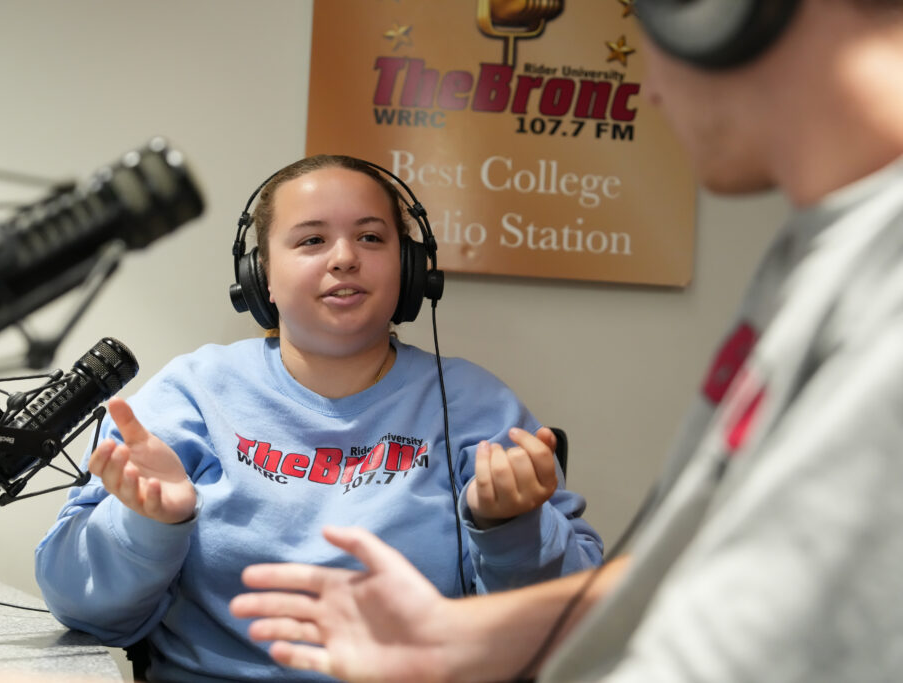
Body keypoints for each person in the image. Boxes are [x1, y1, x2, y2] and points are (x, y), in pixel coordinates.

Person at [227, 1, 903, 681]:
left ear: (719, 13)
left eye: (647, 23)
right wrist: (458, 636)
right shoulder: (822, 249)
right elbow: (727, 564)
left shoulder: (887, 274)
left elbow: (763, 629)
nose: (653, 88)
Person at [34, 154, 604, 682]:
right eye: (311, 240)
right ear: (262, 278)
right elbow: (82, 608)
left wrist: (511, 530)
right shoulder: (193, 394)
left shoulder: (477, 404)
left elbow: (571, 623)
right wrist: (149, 524)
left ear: (409, 268)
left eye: (371, 237)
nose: (344, 257)